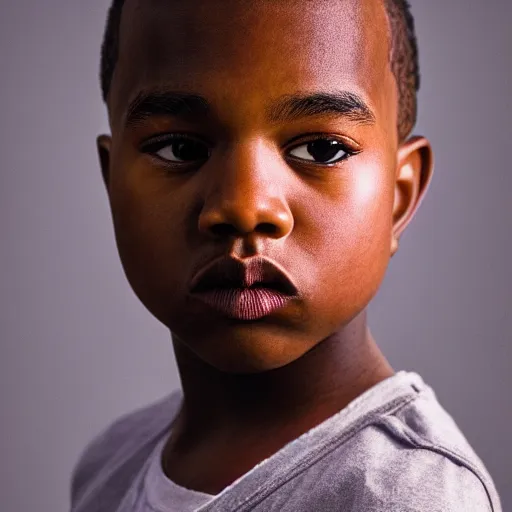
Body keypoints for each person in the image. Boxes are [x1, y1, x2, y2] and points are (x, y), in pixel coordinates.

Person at [69, 0, 502, 510]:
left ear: (399, 196)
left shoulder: (408, 496)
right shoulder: (108, 465)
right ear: (111, 181)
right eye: (179, 149)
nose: (245, 207)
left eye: (321, 149)